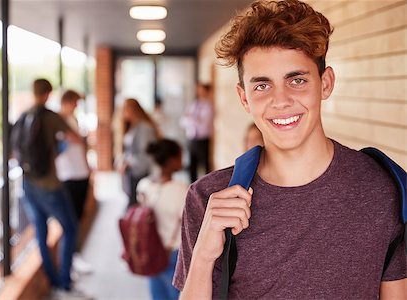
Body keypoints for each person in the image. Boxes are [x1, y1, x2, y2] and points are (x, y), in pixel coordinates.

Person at [174, 1, 406, 299]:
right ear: (244, 99)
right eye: (262, 86)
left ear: (325, 83)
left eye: (296, 80)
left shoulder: (384, 189)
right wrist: (204, 255)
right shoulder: (208, 199)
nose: (280, 101)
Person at [16, 79, 89, 299]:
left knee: (41, 232)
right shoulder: (50, 117)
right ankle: (65, 283)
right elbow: (75, 138)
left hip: (28, 183)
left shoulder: (23, 116)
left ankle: (53, 279)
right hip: (49, 185)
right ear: (48, 93)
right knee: (70, 227)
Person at [136, 139, 188, 300]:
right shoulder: (182, 189)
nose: (183, 160)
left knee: (157, 295)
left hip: (151, 249)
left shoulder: (143, 186)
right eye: (180, 156)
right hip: (173, 252)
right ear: (172, 160)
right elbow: (188, 224)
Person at [55, 90, 92, 275]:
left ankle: (73, 257)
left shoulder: (72, 120)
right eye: (75, 103)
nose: (76, 106)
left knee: (77, 218)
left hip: (80, 173)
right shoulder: (58, 122)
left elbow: (81, 146)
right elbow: (75, 140)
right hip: (68, 176)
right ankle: (68, 262)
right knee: (69, 222)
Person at [117, 98, 158, 208]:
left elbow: (144, 154)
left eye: (125, 108)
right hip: (132, 172)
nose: (123, 112)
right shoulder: (132, 126)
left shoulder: (144, 128)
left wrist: (127, 162)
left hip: (140, 172)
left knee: (134, 208)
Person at [180, 83, 214, 183]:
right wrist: (194, 119)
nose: (199, 92)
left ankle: (208, 184)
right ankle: (192, 186)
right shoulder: (194, 104)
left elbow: (204, 125)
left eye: (201, 90)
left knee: (205, 164)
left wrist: (190, 118)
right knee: (192, 165)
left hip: (203, 139)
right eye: (198, 89)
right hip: (191, 138)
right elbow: (183, 121)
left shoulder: (208, 106)